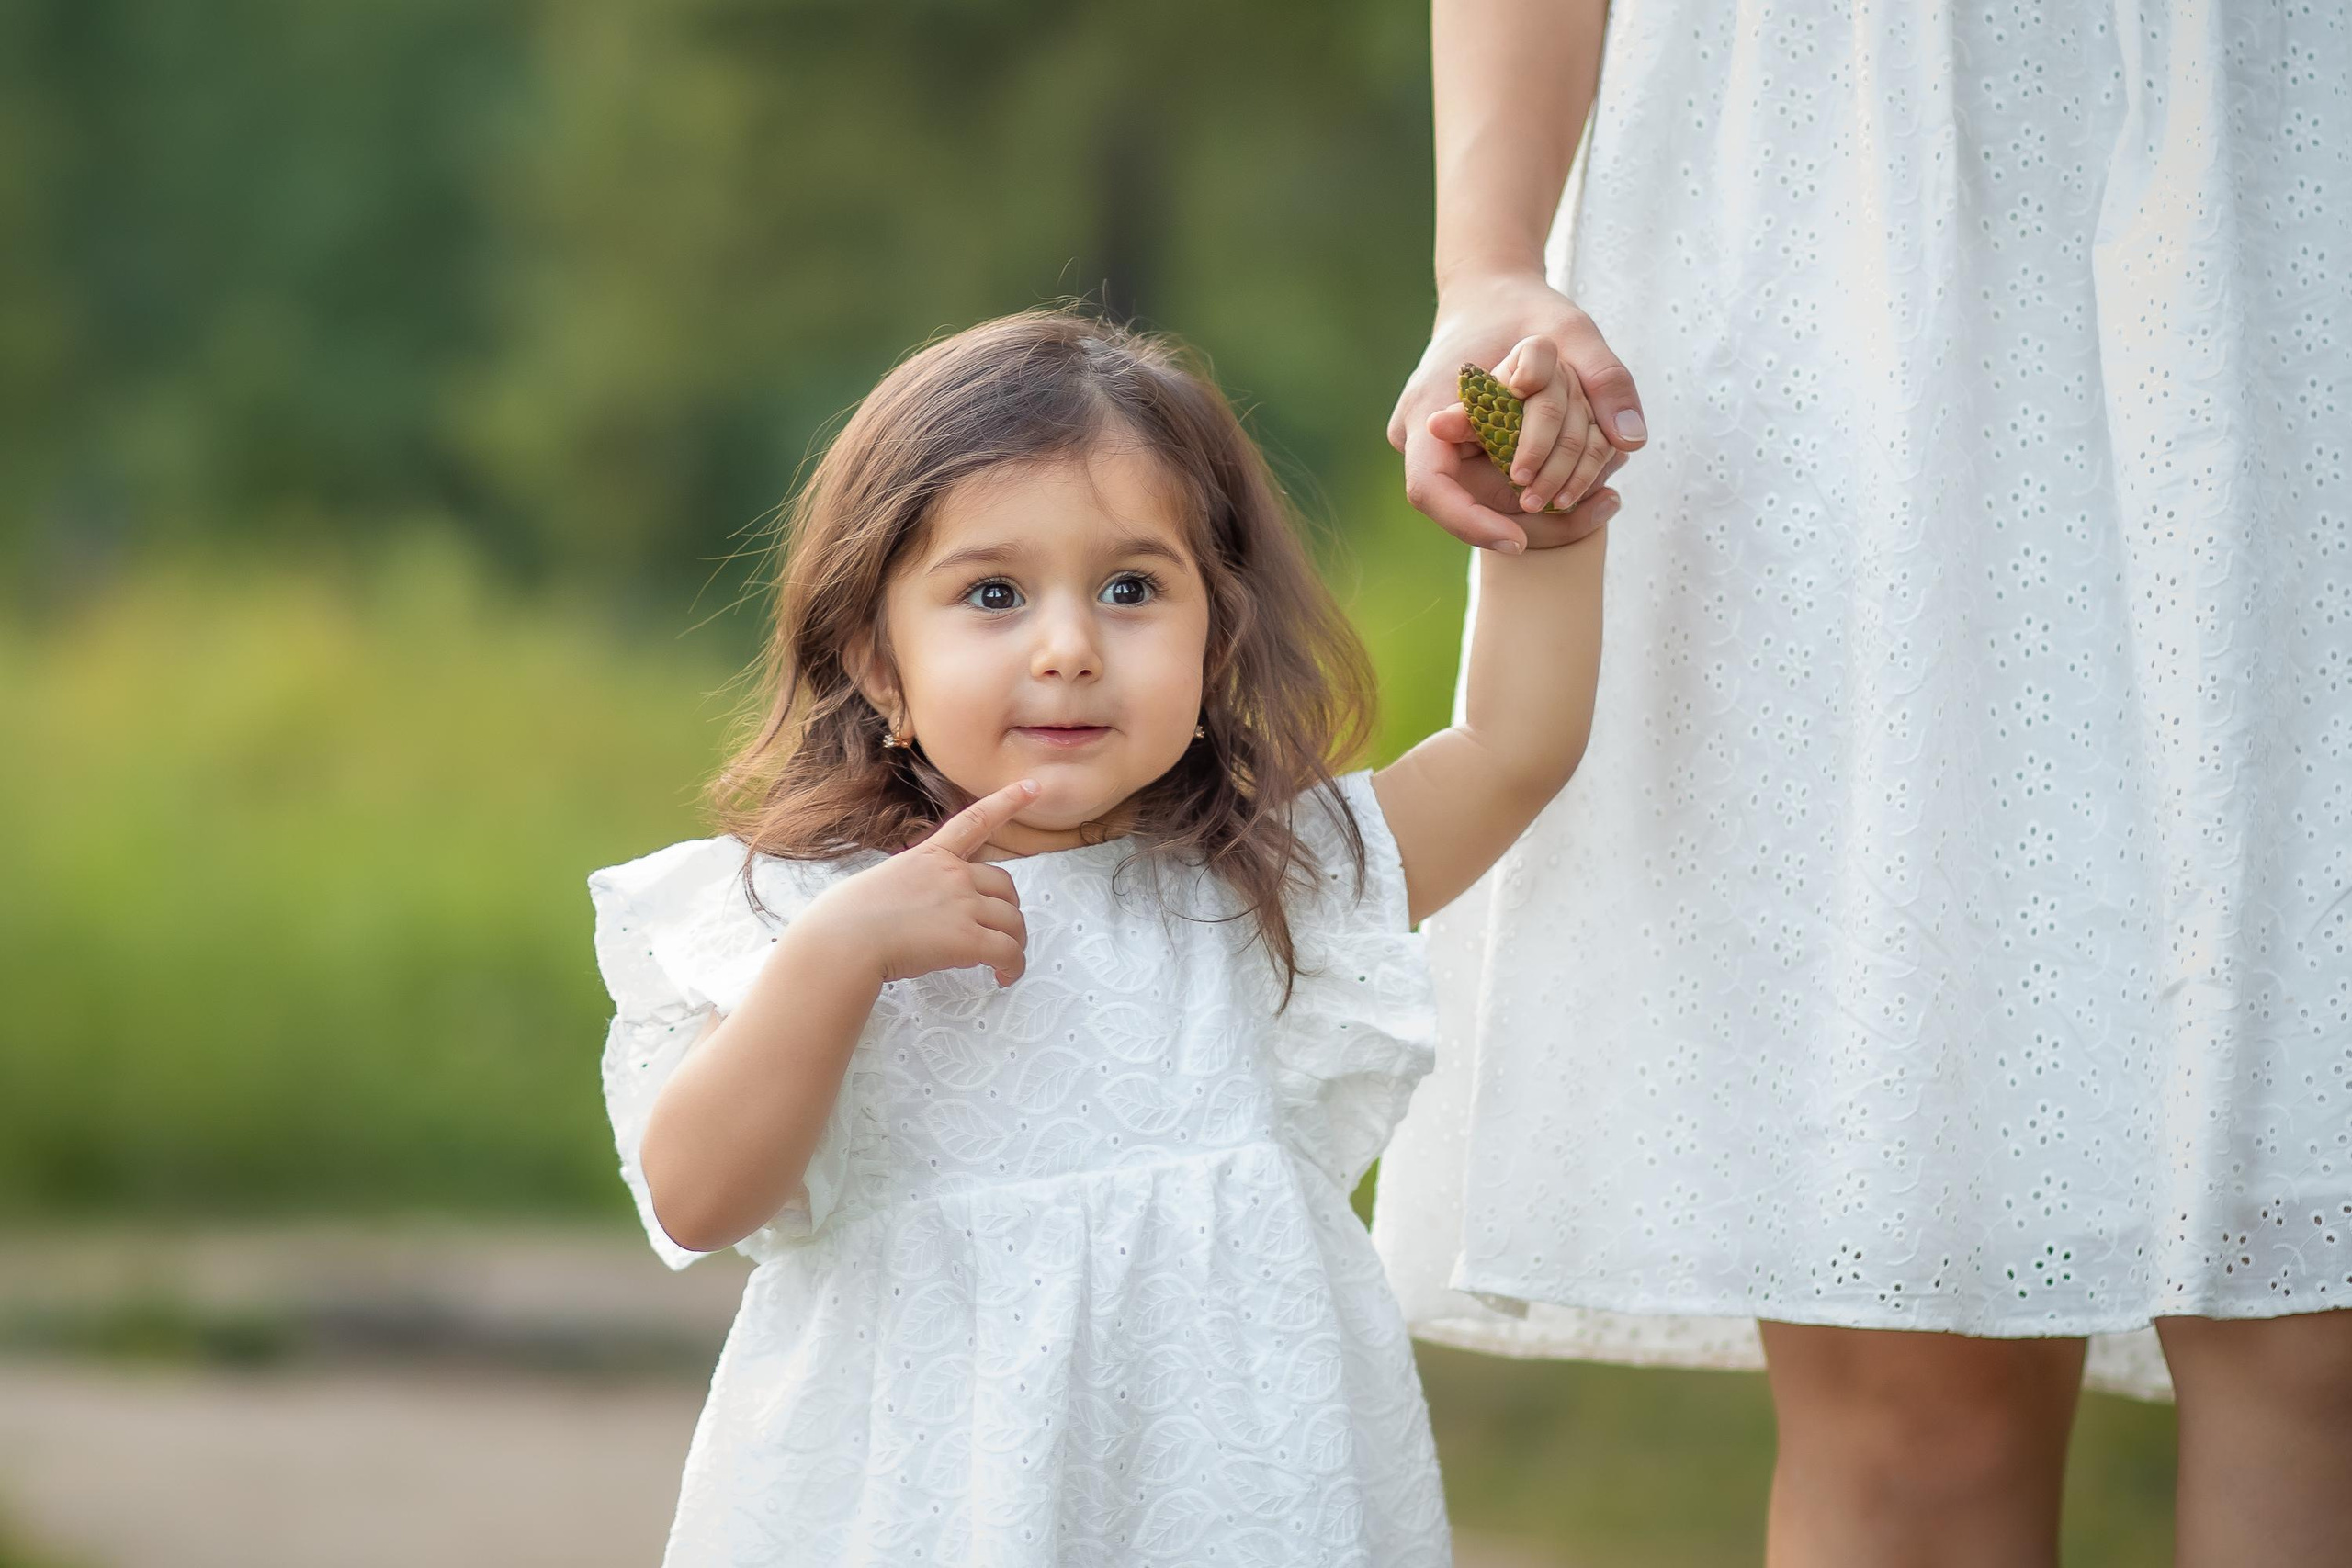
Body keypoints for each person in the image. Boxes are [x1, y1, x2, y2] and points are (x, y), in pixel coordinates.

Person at [1373, 2, 2352, 1564]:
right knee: (1914, 1375)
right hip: (1830, 229)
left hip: (2296, 166)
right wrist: (1486, 265)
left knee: (2319, 1334)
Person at [584, 309, 1610, 1566]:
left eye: (1131, 590)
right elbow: (695, 1201)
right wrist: (836, 961)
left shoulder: (1265, 883)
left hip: (1229, 1503)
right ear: (880, 663)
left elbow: (1512, 750)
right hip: (930, 1511)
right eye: (994, 594)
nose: (1069, 649)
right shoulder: (810, 915)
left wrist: (1536, 500)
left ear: (1216, 635)